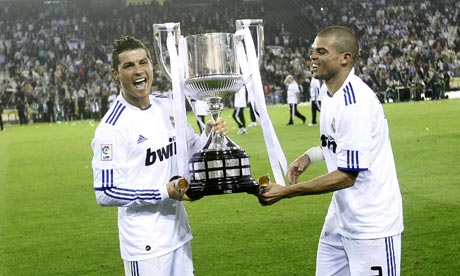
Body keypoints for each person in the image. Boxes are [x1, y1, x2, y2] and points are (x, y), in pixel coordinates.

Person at [258, 26, 403, 276]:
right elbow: (336, 143)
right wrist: (310, 156)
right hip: (340, 217)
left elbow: (347, 175)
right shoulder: (328, 92)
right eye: (313, 51)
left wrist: (288, 192)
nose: (312, 57)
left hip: (371, 225)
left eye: (321, 52)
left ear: (345, 58)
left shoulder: (354, 103)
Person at [91, 35, 227, 276]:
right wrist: (164, 192)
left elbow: (192, 150)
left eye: (143, 62)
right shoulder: (111, 129)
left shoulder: (168, 105)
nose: (138, 71)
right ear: (115, 74)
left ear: (152, 66)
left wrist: (210, 134)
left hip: (179, 234)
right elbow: (106, 192)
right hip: (145, 246)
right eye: (128, 66)